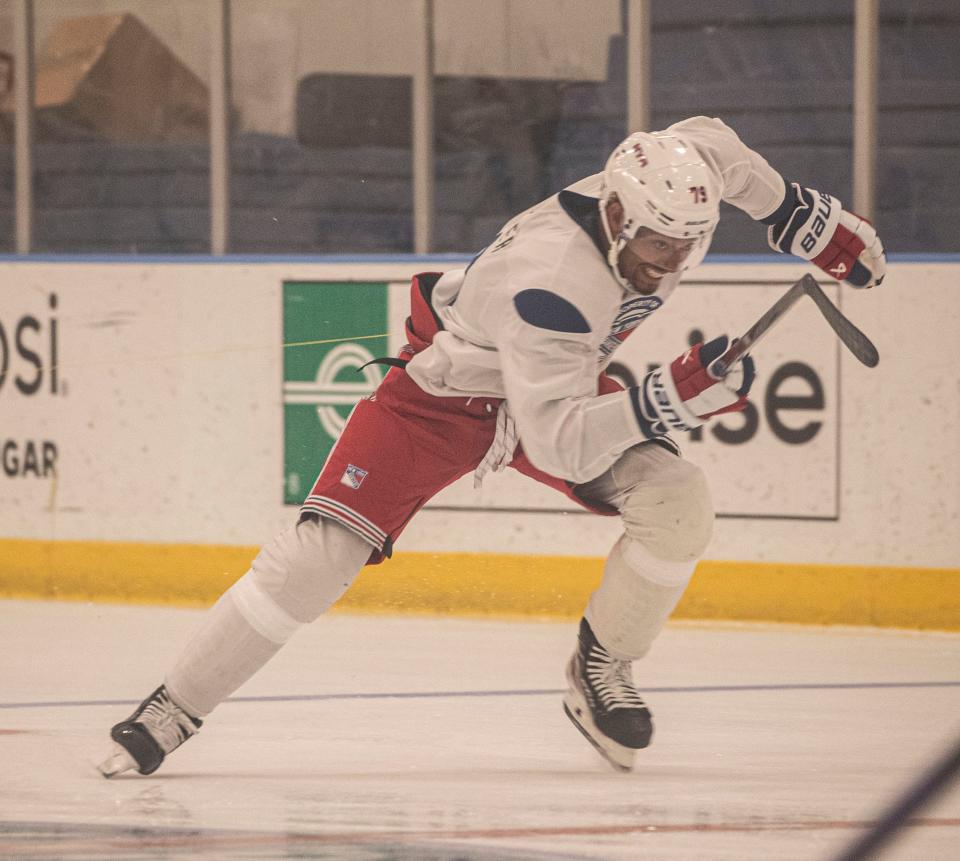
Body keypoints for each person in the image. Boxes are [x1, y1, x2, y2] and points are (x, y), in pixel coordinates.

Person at [98, 116, 885, 776]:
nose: (671, 264)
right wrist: (666, 399)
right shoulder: (549, 284)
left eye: (689, 244)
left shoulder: (675, 190)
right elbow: (564, 442)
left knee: (679, 502)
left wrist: (808, 221)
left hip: (554, 384)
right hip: (442, 399)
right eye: (657, 244)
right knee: (317, 558)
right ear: (614, 212)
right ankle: (174, 706)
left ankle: (602, 659)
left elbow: (718, 146)